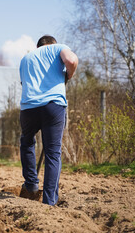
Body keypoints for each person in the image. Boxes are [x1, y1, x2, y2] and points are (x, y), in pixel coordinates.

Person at [19, 35, 78, 205]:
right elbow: (71, 61)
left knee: (27, 142)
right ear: (52, 44)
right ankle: (49, 201)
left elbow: (24, 83)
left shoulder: (25, 59)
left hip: (28, 107)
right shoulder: (58, 48)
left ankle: (31, 184)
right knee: (52, 154)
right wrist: (69, 74)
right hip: (52, 106)